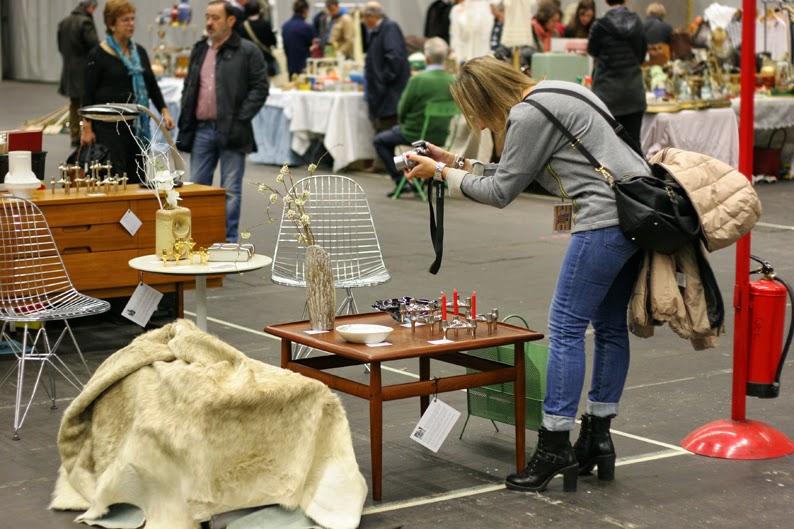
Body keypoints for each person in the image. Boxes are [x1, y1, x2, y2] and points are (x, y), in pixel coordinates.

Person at [403, 56, 647, 493]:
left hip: (601, 222)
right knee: (609, 329)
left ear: (483, 97)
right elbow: (520, 172)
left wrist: (441, 173)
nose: (475, 120)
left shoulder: (527, 114)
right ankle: (598, 437)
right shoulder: (561, 91)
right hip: (635, 219)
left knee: (565, 328)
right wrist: (454, 161)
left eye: (471, 108)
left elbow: (501, 192)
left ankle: (555, 445)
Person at [176, 0, 269, 243]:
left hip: (233, 130)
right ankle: (198, 240)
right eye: (207, 17)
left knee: (230, 192)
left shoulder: (247, 51)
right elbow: (190, 86)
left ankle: (227, 242)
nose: (209, 22)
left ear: (231, 21)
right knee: (197, 189)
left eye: (215, 17)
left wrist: (241, 118)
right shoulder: (200, 49)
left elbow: (260, 88)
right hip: (202, 130)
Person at [82, 0, 173, 182]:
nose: (131, 24)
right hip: (108, 129)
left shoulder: (139, 52)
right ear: (111, 23)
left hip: (136, 127)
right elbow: (87, 94)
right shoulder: (98, 54)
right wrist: (87, 128)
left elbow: (151, 85)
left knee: (137, 177)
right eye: (125, 20)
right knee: (114, 178)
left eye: (133, 19)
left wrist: (164, 110)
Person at [372, 37, 455, 197]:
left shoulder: (417, 80)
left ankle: (401, 179)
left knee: (380, 141)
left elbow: (402, 109)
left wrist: (402, 124)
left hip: (414, 133)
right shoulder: (452, 80)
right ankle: (421, 180)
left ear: (427, 58)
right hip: (442, 134)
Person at [588, 0, 646, 146]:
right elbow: (641, 56)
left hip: (606, 94)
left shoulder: (599, 25)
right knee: (634, 144)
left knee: (607, 145)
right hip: (633, 92)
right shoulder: (637, 22)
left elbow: (592, 50)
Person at [362, 2, 410, 133]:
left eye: (364, 17)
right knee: (381, 132)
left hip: (389, 95)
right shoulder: (378, 31)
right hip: (382, 94)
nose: (363, 21)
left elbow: (395, 57)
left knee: (386, 133)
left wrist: (382, 80)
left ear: (371, 16)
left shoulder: (389, 28)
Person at [58, 0, 99, 148]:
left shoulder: (64, 22)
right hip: (84, 70)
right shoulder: (86, 23)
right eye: (94, 8)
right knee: (87, 104)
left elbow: (60, 46)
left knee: (73, 104)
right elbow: (95, 46)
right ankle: (86, 135)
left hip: (68, 68)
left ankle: (74, 136)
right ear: (89, 7)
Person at [238, 1, 279, 77]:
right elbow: (273, 41)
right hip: (265, 59)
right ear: (258, 10)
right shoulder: (265, 24)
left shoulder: (242, 27)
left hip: (249, 61)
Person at [282, 0, 316, 77]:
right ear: (305, 10)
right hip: (304, 67)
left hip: (290, 66)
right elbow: (314, 46)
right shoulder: (307, 27)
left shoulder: (285, 27)